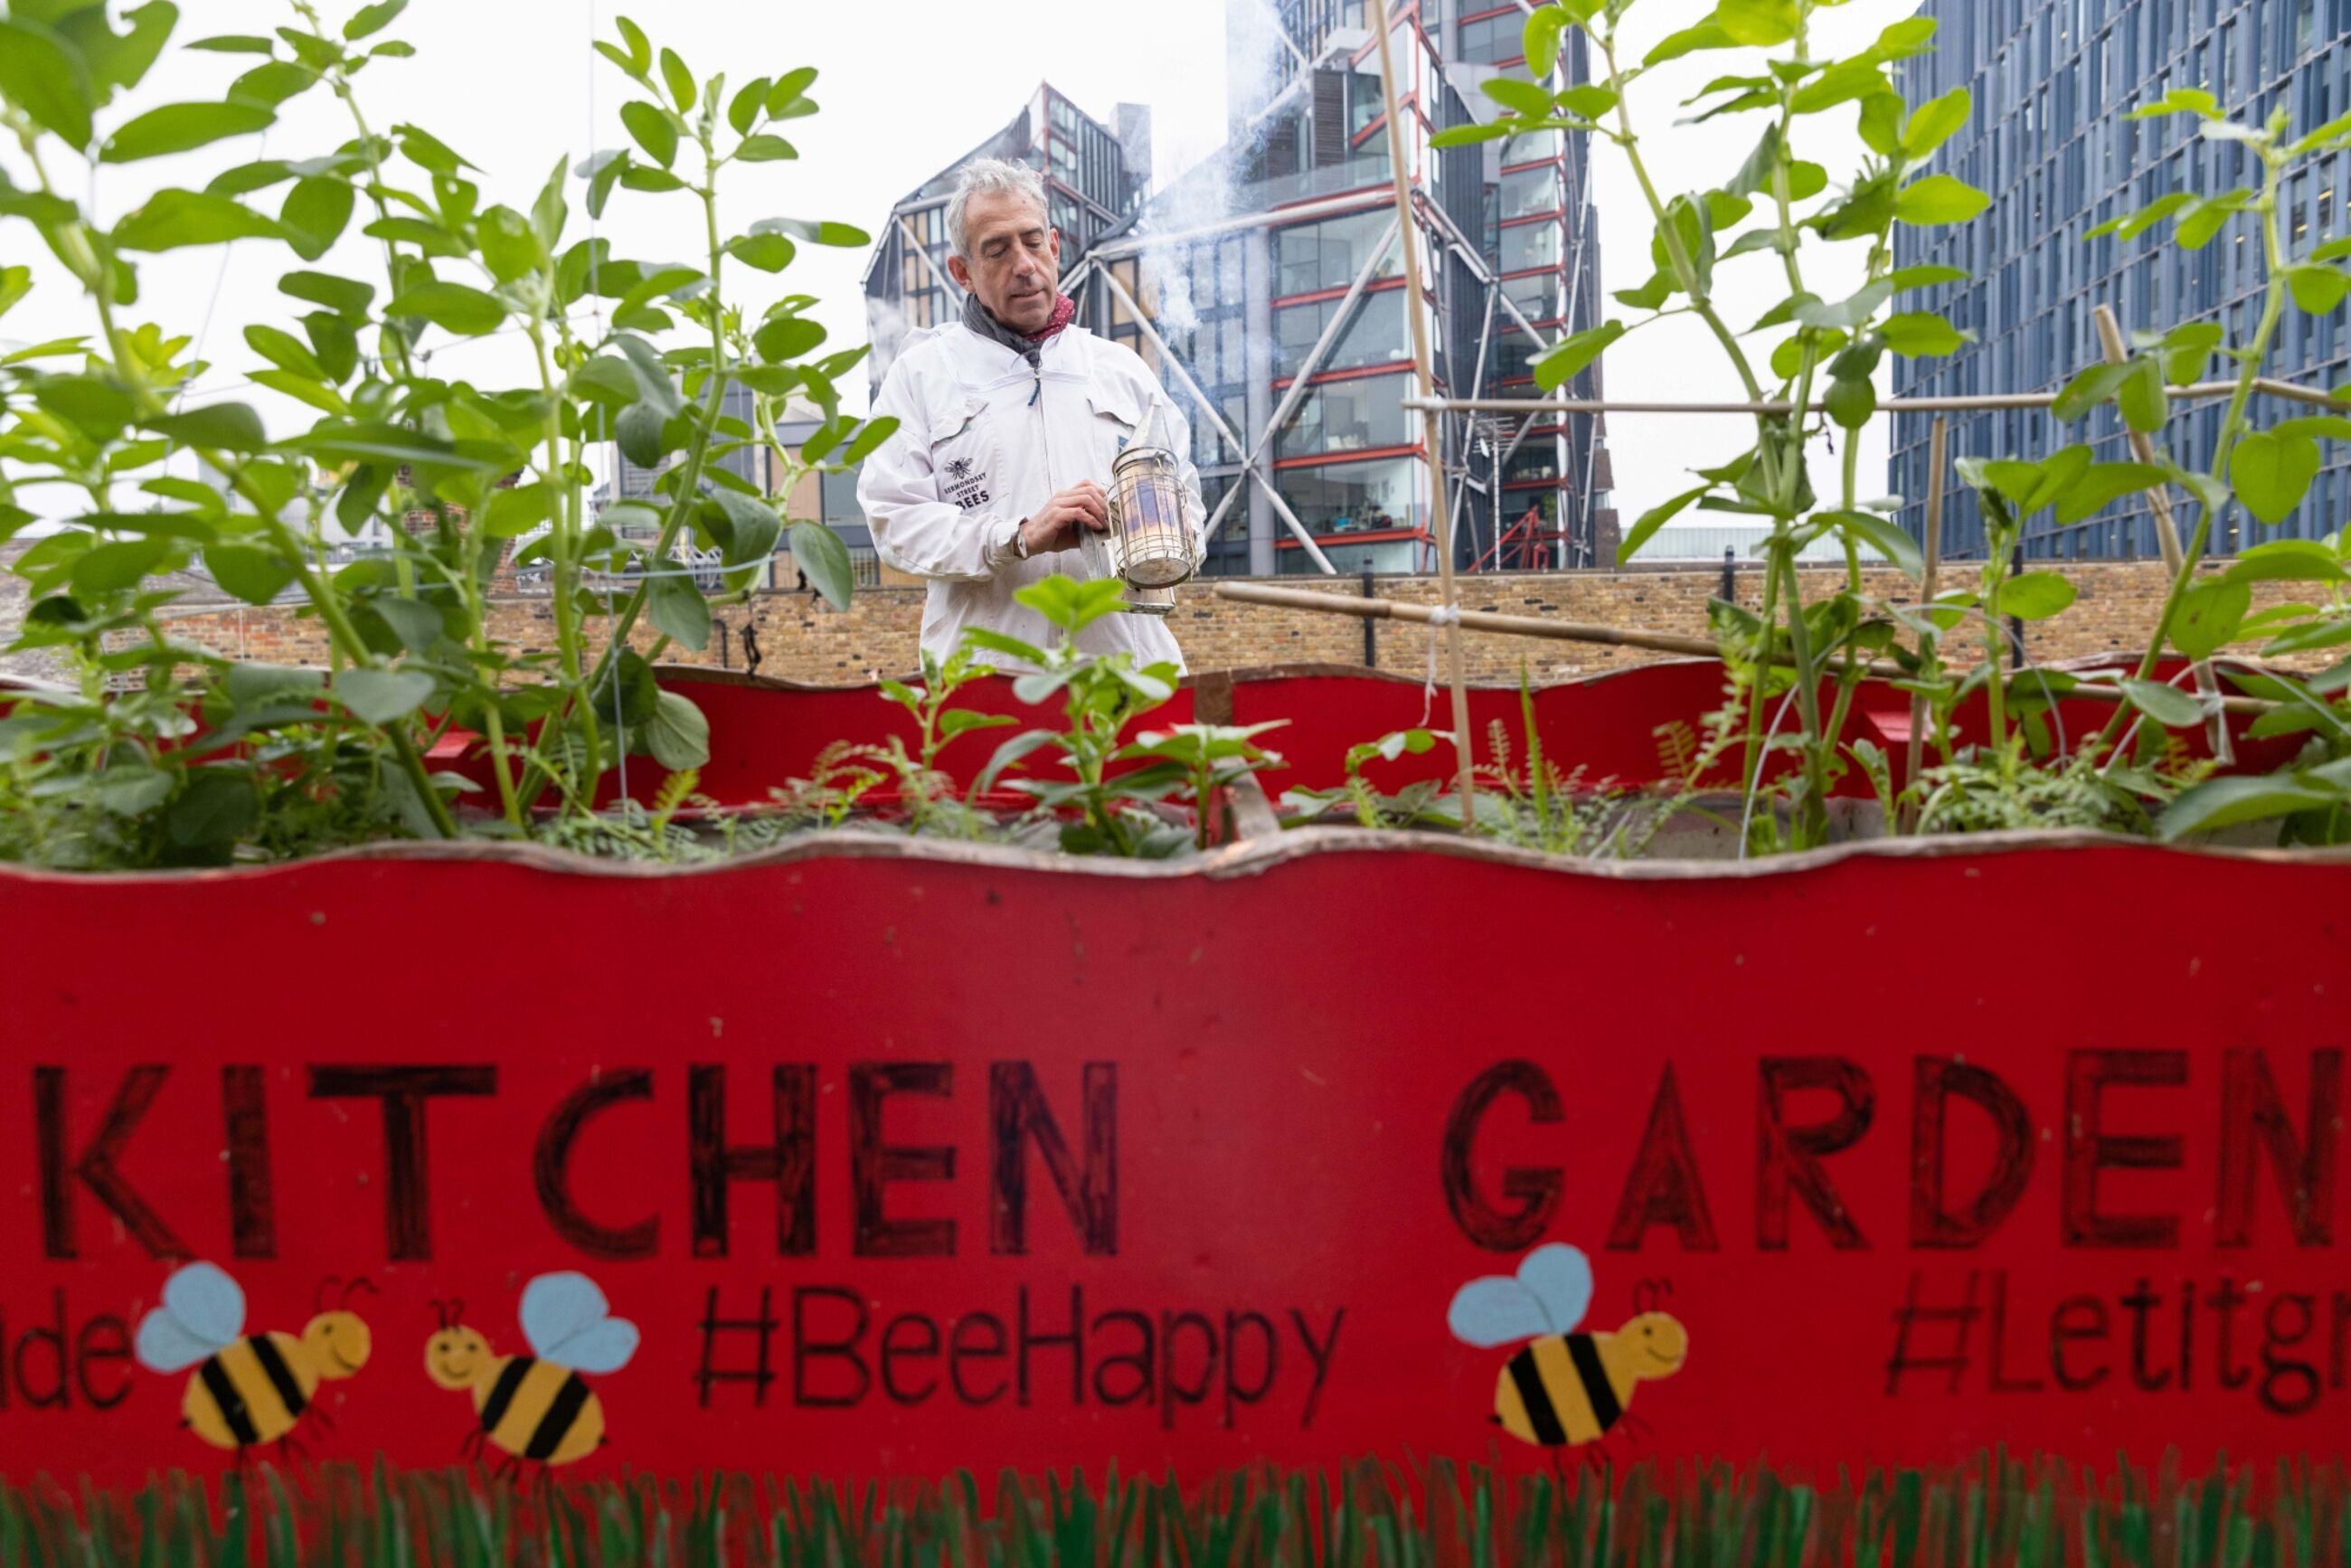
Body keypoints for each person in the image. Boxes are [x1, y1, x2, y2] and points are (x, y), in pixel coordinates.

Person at [858, 158, 1204, 672]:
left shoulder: (1123, 372)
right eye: (997, 250)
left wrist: (1144, 527)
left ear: (1056, 246)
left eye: (1033, 241)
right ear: (962, 272)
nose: (1023, 264)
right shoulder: (922, 375)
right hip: (988, 687)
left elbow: (1188, 510)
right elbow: (895, 520)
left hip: (1125, 680)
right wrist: (1017, 536)